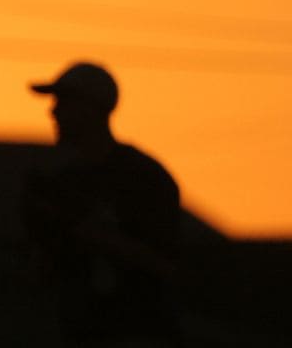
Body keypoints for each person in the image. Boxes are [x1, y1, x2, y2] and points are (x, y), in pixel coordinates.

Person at [23, 61, 181, 347]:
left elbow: (169, 266)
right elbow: (40, 275)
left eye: (66, 102)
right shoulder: (60, 184)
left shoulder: (143, 178)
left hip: (137, 335)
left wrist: (85, 230)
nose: (54, 111)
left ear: (95, 109)